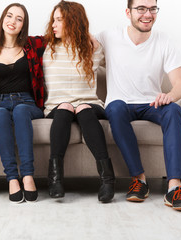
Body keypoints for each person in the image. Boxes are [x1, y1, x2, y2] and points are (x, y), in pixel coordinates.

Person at [96, 0, 181, 211]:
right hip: (121, 104)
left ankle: (174, 188)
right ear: (128, 12)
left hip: (152, 103)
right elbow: (78, 41)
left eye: (152, 9)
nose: (147, 14)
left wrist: (169, 96)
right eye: (140, 8)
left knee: (174, 110)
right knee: (114, 108)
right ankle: (139, 180)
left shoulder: (164, 41)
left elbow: (180, 86)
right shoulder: (109, 36)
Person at [43, 0, 115, 203]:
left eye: (59, 20)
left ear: (73, 22)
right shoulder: (47, 47)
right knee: (65, 107)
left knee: (82, 107)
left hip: (89, 104)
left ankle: (107, 179)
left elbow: (120, 64)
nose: (53, 25)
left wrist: (89, 38)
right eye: (53, 20)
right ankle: (55, 179)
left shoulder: (93, 48)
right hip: (57, 105)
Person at [0, 3, 46, 203]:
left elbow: (61, 35)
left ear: (24, 25)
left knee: (21, 110)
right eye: (9, 16)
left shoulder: (33, 46)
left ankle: (28, 175)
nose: (13, 21)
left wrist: (90, 37)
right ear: (2, 19)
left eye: (19, 18)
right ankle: (12, 178)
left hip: (27, 101)